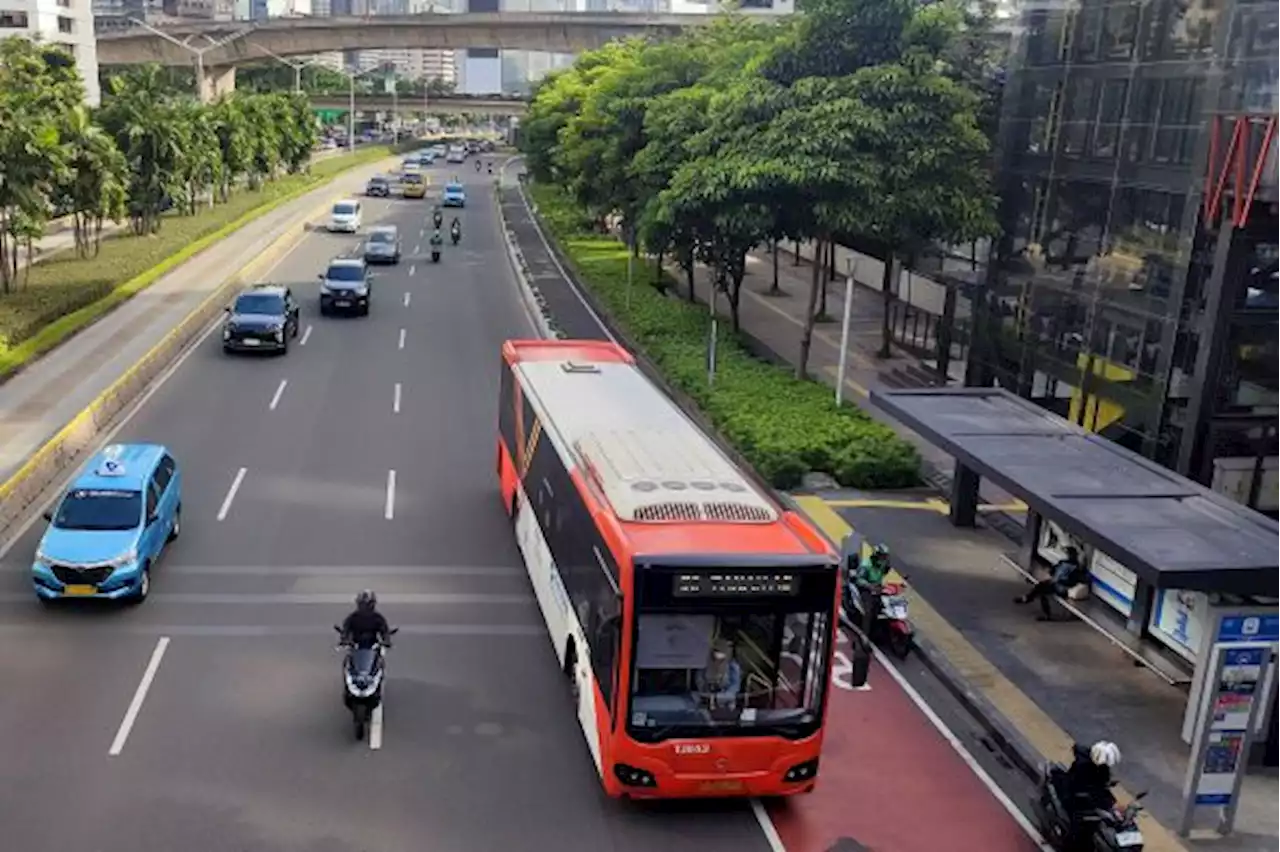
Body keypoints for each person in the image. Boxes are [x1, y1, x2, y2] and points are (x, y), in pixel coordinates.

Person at [1057, 741, 1120, 845]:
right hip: (1074, 797)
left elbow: (1102, 785)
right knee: (1078, 827)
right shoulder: (1082, 767)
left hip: (1091, 796)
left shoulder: (1103, 768)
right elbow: (1076, 785)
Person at [1015, 545, 1086, 621]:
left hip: (1062, 588)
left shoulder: (1076, 568)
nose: (1068, 556)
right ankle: (1028, 599)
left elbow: (1072, 581)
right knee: (1041, 587)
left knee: (1041, 588)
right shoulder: (1063, 563)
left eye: (1069, 554)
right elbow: (1053, 571)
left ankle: (1029, 599)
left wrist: (1059, 580)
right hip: (1055, 584)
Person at [694, 637, 741, 711]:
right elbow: (699, 680)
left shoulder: (732, 667)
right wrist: (705, 694)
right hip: (706, 701)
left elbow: (735, 686)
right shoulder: (704, 665)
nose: (719, 653)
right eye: (716, 651)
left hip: (726, 704)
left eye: (721, 651)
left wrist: (720, 697)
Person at [854, 544, 892, 631]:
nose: (884, 558)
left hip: (878, 588)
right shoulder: (866, 565)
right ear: (876, 555)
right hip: (866, 589)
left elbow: (883, 574)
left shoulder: (884, 564)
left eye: (885, 556)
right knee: (868, 612)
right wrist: (869, 586)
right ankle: (864, 634)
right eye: (882, 555)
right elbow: (859, 579)